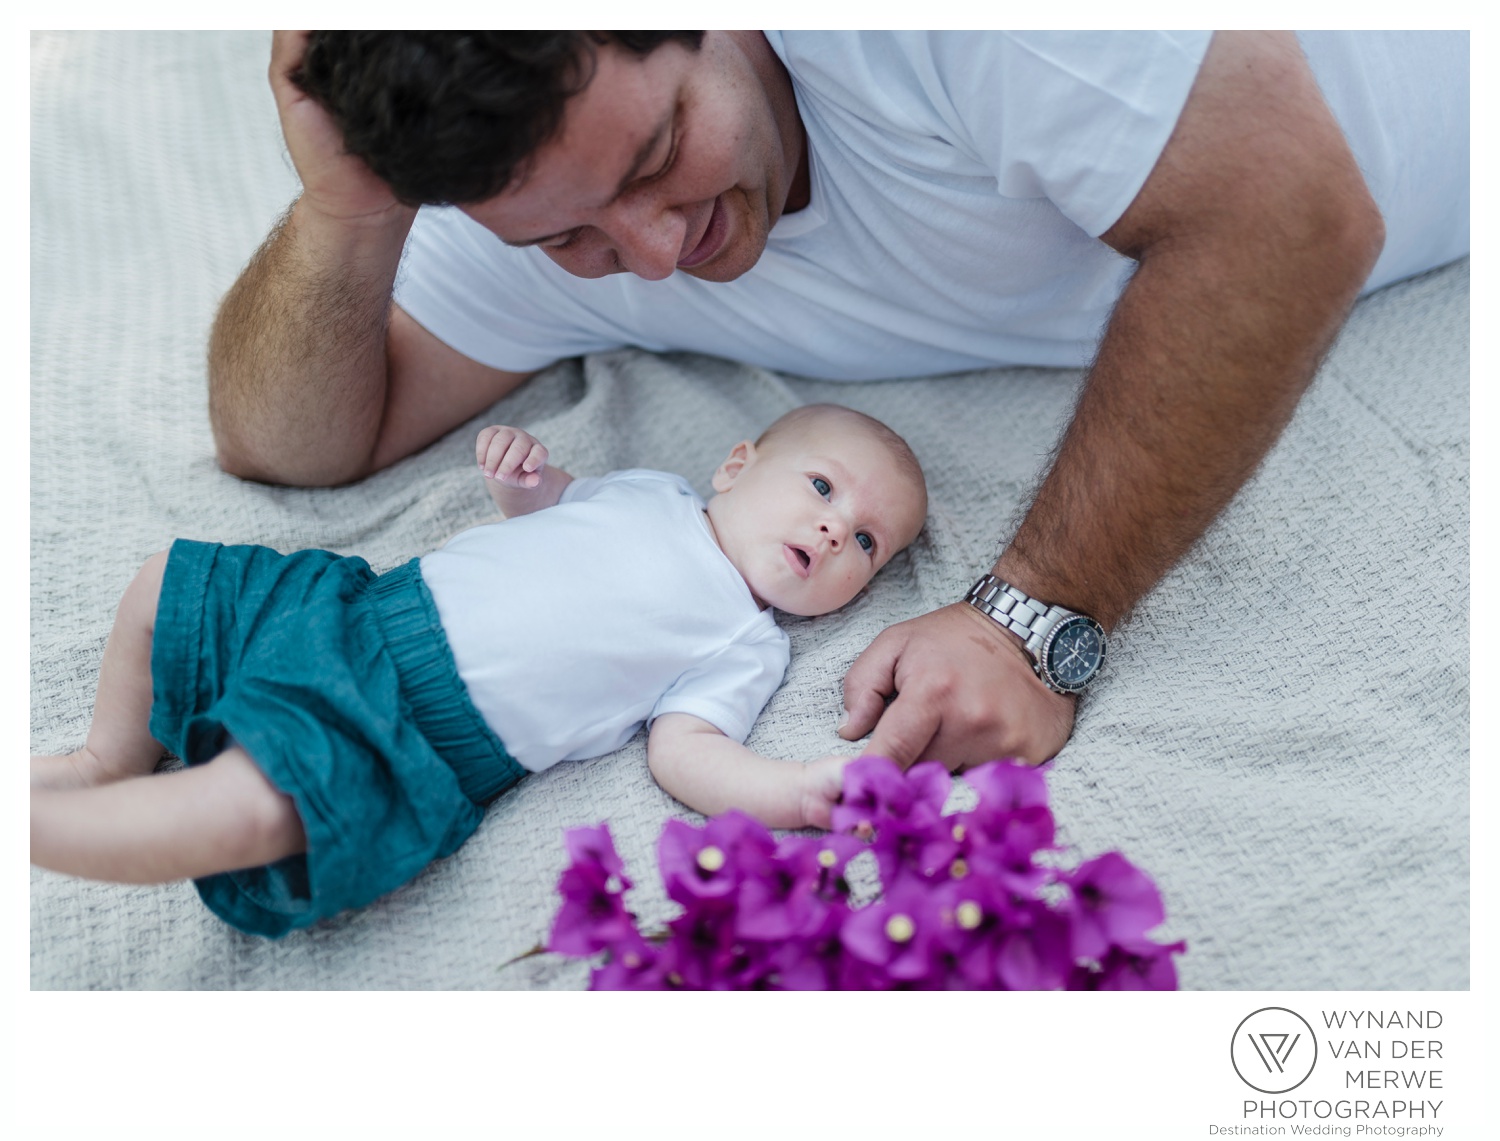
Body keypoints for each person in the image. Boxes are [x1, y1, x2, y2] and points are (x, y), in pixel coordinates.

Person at [206, 31, 1469, 773]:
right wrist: (345, 213)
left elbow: (1297, 213)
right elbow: (296, 438)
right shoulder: (542, 190)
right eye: (574, 240)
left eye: (659, 160)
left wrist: (1031, 622)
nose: (653, 258)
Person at [31, 404, 929, 937]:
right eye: (822, 489)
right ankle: (106, 759)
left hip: (413, 733)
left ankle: (40, 826)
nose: (831, 530)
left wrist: (794, 791)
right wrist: (522, 478)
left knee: (248, 806)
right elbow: (548, 511)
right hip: (359, 608)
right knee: (170, 584)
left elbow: (687, 749)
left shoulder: (747, 641)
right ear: (738, 466)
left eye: (863, 541)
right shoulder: (652, 491)